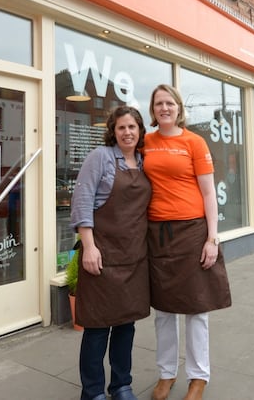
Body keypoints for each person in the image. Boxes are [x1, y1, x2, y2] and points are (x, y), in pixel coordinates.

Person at [143, 84, 232, 400]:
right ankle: (166, 374)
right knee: (164, 311)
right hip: (158, 235)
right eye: (158, 104)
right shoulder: (145, 143)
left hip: (193, 232)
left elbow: (209, 194)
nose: (164, 108)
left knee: (197, 308)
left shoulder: (195, 142)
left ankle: (198, 376)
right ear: (153, 111)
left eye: (169, 103)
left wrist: (212, 238)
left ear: (179, 108)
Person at [70, 106, 152, 400]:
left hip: (133, 257)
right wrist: (89, 247)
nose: (127, 132)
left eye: (132, 127)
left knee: (125, 325)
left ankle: (121, 385)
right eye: (121, 128)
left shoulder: (145, 162)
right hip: (102, 255)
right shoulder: (100, 158)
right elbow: (81, 203)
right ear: (113, 132)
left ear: (140, 130)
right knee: (96, 328)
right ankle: (92, 392)